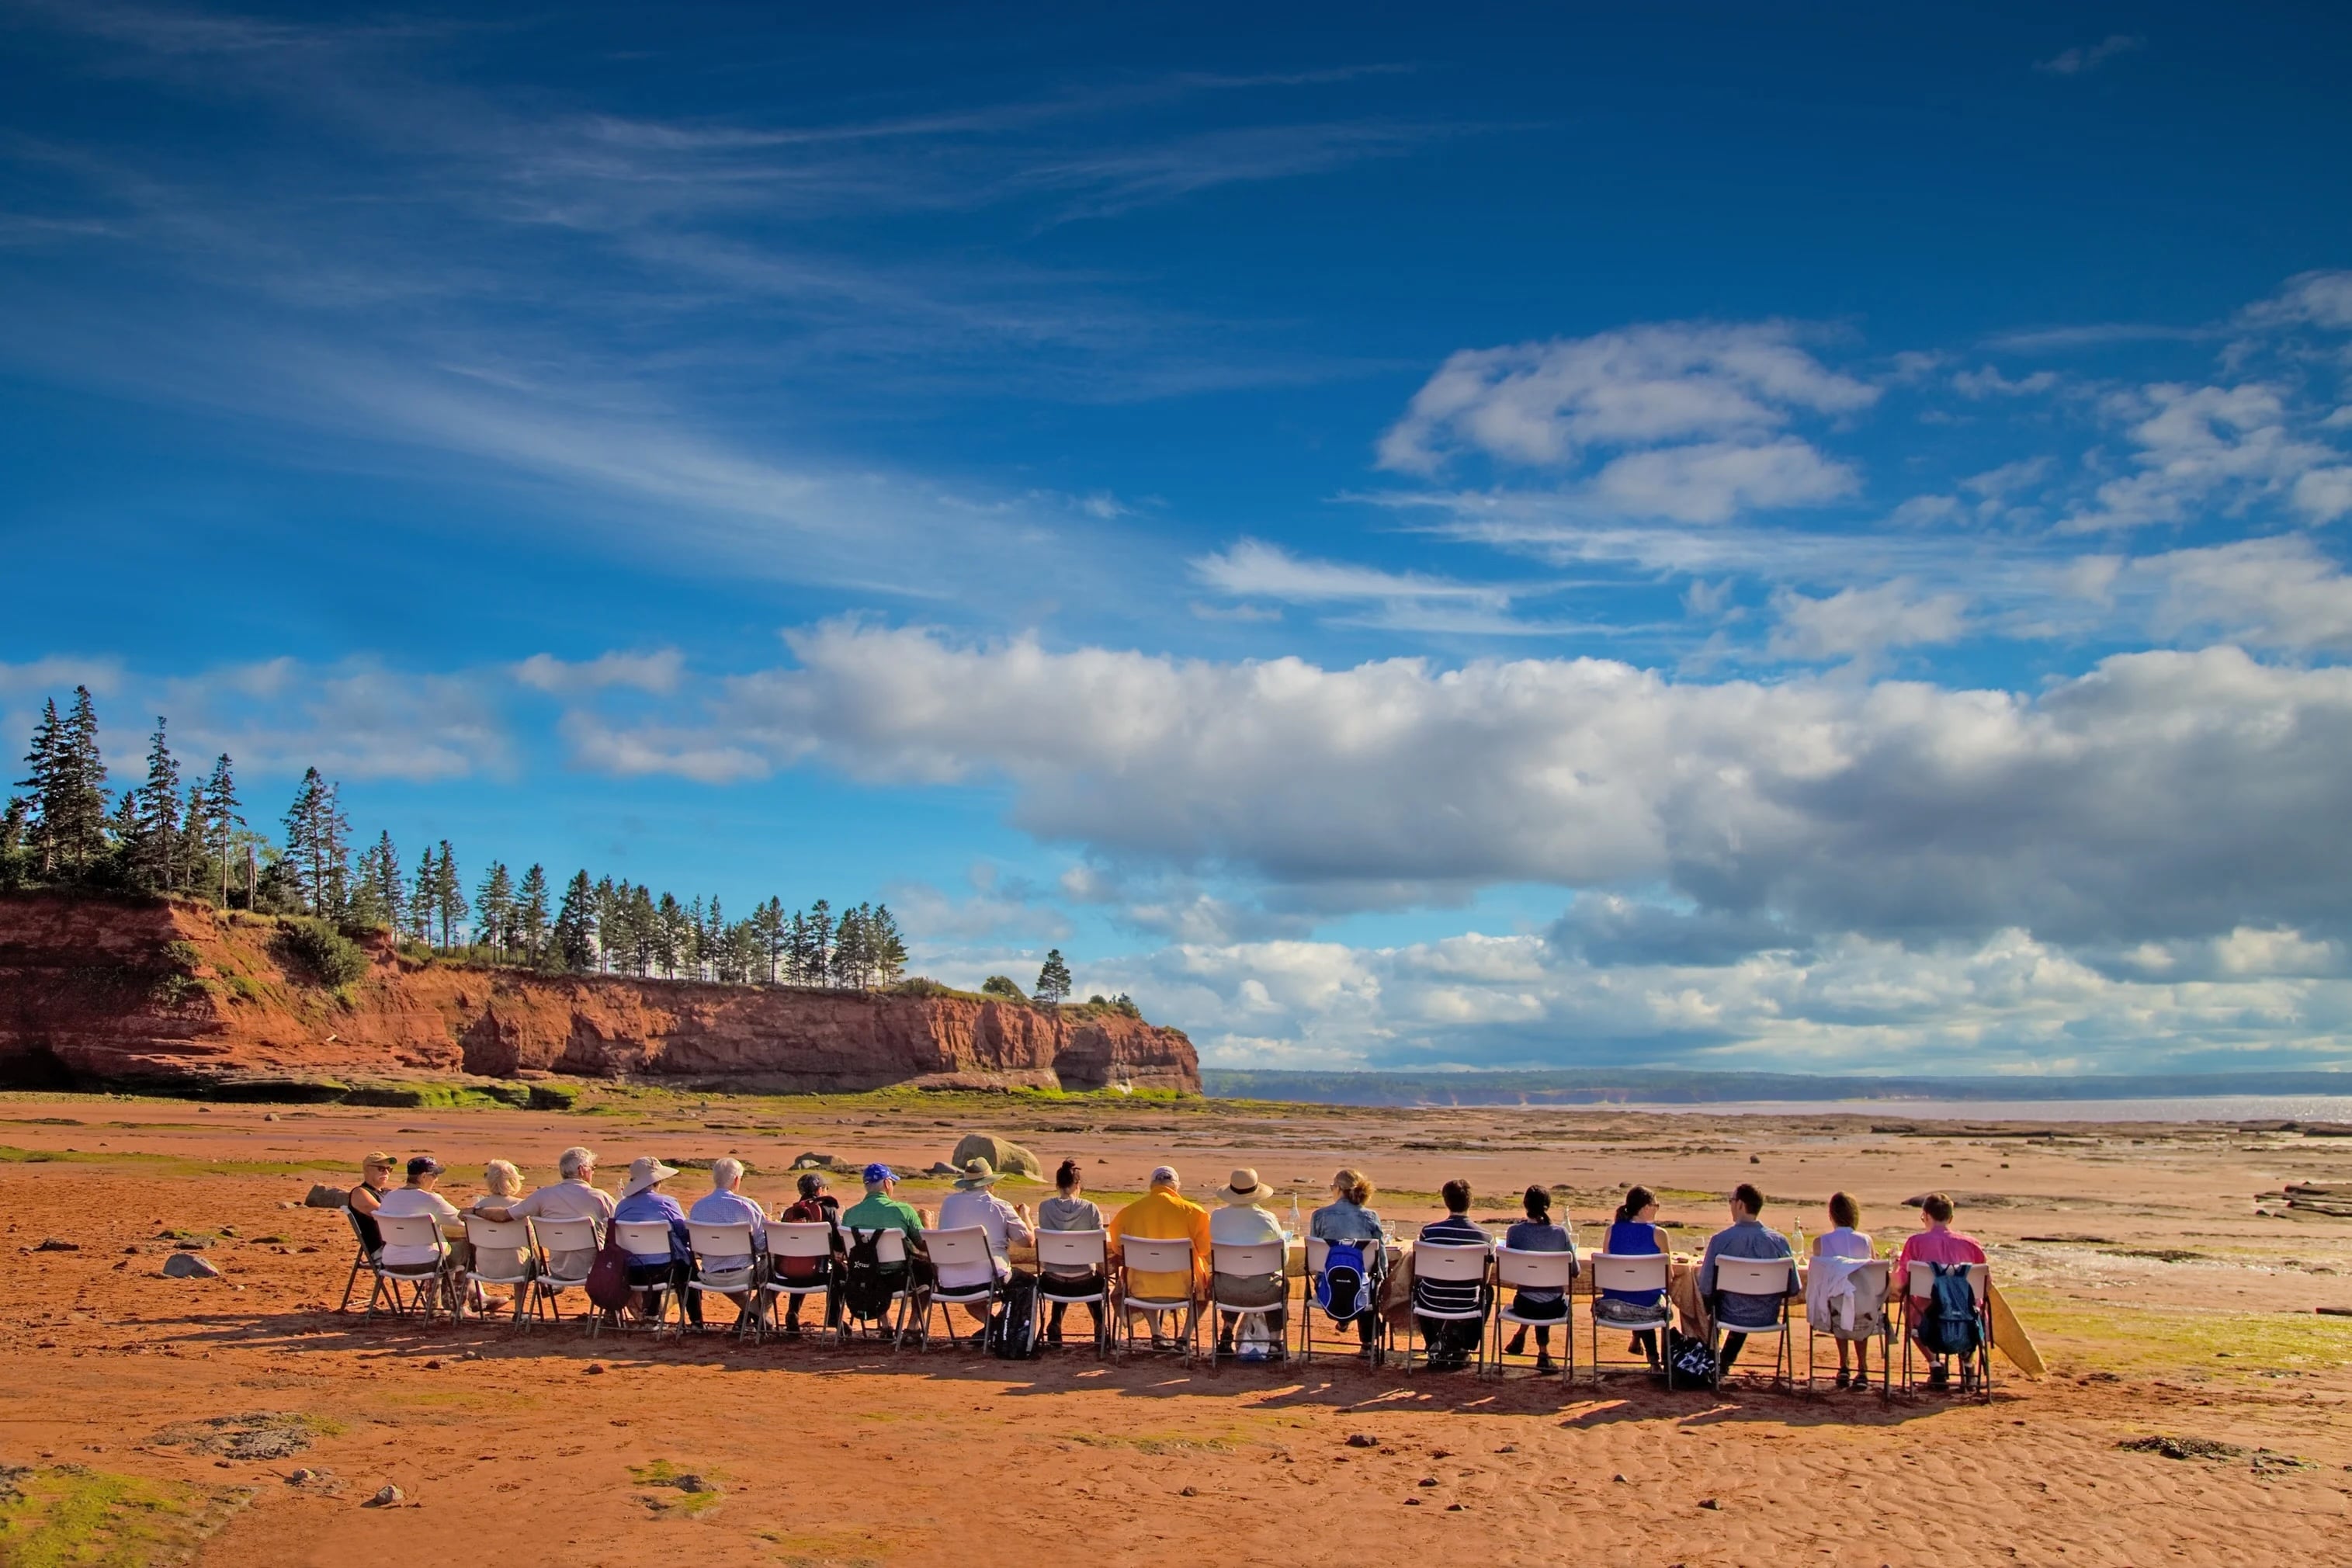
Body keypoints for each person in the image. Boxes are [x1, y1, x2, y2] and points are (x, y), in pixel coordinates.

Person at [1696, 1183, 1795, 1379]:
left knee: (1710, 1302)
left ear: (1740, 1205)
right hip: (1767, 1316)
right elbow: (1793, 1288)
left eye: (1731, 1201)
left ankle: (1707, 1357)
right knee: (1742, 1300)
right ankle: (1724, 1360)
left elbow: (1706, 1286)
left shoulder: (1721, 1240)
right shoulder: (1780, 1241)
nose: (1731, 1206)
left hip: (1729, 1315)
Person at [1107, 1166, 1212, 1347]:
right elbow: (1204, 1249)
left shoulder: (1129, 1212)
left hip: (1140, 1288)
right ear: (1176, 1187)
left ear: (1151, 1186)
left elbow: (1118, 1249)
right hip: (1185, 1288)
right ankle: (1185, 1337)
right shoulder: (1195, 1212)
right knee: (1205, 1291)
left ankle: (1156, 1332)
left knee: (1142, 1274)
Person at [480, 1146, 616, 1284]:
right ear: (581, 1170)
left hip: (557, 1271)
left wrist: (475, 1211)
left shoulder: (543, 1195)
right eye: (592, 1169)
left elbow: (504, 1215)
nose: (593, 1172)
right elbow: (623, 1221)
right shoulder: (600, 1197)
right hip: (595, 1270)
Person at [1895, 1192, 1988, 1389]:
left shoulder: (1915, 1243)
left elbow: (1902, 1282)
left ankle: (1935, 1365)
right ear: (1951, 1218)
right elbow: (1985, 1285)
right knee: (1976, 1307)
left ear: (1926, 1216)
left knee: (1910, 1309)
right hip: (1967, 1318)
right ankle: (1968, 1363)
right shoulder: (1972, 1245)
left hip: (1927, 1318)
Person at [935, 1157, 1034, 1328]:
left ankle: (993, 1327)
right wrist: (1024, 1215)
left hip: (949, 1281)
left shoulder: (948, 1204)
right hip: (989, 1280)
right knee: (1029, 1283)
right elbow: (1028, 1241)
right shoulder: (1000, 1206)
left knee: (973, 1296)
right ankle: (1006, 1329)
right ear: (989, 1184)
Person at [1209, 1169, 1289, 1358]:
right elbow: (1282, 1260)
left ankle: (1227, 1332)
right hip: (1262, 1293)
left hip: (1225, 1291)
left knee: (1230, 1275)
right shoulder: (1267, 1219)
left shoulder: (1217, 1217)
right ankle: (1275, 1342)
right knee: (1282, 1284)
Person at [1413, 1178, 1490, 1371]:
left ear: (1446, 1201)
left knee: (1418, 1289)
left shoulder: (1429, 1232)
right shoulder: (1485, 1237)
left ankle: (1433, 1341)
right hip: (1466, 1303)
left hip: (1431, 1300)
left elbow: (1420, 1272)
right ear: (1470, 1202)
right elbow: (1484, 1278)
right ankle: (1464, 1346)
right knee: (1487, 1292)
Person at [838, 1164, 928, 1328]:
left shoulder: (850, 1214)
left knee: (873, 1262)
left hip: (862, 1277)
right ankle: (912, 1326)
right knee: (927, 1270)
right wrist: (926, 1224)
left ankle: (885, 1323)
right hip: (897, 1278)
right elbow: (923, 1245)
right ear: (887, 1183)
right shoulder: (903, 1210)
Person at [613, 1157, 698, 1327]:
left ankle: (652, 1316)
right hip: (664, 1271)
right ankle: (696, 1320)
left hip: (632, 1272)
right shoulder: (667, 1203)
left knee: (658, 1255)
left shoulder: (622, 1206)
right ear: (656, 1181)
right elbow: (683, 1234)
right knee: (685, 1267)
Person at [1806, 1192, 1878, 1389]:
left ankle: (1844, 1365)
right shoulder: (1866, 1240)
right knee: (1855, 1303)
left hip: (1834, 1309)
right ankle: (1862, 1368)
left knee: (1837, 1299)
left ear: (1832, 1215)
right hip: (1864, 1307)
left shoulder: (1820, 1242)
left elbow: (1820, 1278)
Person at [1309, 1169, 1386, 1356]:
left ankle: (1345, 1317)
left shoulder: (1320, 1216)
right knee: (1368, 1280)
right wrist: (1383, 1276)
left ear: (1339, 1189)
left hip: (1328, 1290)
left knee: (1355, 1277)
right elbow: (1380, 1260)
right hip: (1361, 1290)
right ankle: (1368, 1343)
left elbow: (1314, 1260)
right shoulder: (1371, 1217)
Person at [373, 1156, 467, 1307]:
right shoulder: (432, 1199)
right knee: (465, 1248)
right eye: (434, 1175)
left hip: (390, 1262)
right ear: (423, 1177)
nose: (436, 1180)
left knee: (437, 1248)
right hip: (426, 1263)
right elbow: (462, 1223)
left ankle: (434, 1304)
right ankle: (458, 1307)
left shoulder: (389, 1197)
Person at [1501, 1185, 1575, 1373]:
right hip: (1553, 1307)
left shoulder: (1514, 1232)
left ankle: (1523, 1335)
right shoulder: (1560, 1233)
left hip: (1524, 1305)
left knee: (1534, 1292)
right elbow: (1575, 1271)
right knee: (1547, 1294)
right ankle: (1543, 1353)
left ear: (1525, 1205)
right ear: (1547, 1206)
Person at [687, 1156, 768, 1321]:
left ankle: (747, 1318)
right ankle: (755, 1314)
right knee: (776, 1264)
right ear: (737, 1180)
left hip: (710, 1275)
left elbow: (696, 1248)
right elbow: (762, 1246)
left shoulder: (698, 1207)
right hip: (744, 1276)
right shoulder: (748, 1206)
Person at [1036, 1159, 1106, 1346]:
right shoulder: (1090, 1208)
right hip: (1085, 1283)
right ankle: (1100, 1323)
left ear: (1057, 1184)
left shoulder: (1045, 1207)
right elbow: (1099, 1244)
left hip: (1053, 1283)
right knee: (1092, 1276)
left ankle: (1055, 1323)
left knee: (1062, 1268)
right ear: (1078, 1184)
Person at [1598, 1185, 1669, 1369]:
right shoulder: (1659, 1234)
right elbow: (1668, 1278)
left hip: (1613, 1306)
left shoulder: (1611, 1231)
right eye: (1656, 1205)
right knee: (1647, 1299)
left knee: (1635, 1293)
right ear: (1646, 1208)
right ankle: (1656, 1361)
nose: (1657, 1209)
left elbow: (1606, 1272)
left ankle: (1644, 1348)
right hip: (1645, 1310)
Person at [775, 1171, 842, 1336]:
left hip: (787, 1274)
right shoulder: (829, 1210)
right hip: (818, 1274)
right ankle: (835, 1317)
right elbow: (839, 1242)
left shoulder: (789, 1213)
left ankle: (793, 1312)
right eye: (825, 1187)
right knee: (840, 1271)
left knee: (800, 1260)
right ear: (819, 1190)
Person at [463, 1159, 531, 1311]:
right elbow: (531, 1239)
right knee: (523, 1255)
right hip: (516, 1267)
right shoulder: (521, 1206)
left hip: (484, 1265)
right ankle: (519, 1311)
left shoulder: (479, 1206)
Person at [347, 1152, 396, 1258]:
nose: (386, 1172)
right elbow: (384, 1214)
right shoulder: (360, 1192)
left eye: (389, 1169)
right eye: (381, 1169)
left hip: (398, 1245)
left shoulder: (388, 1192)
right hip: (383, 1250)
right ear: (368, 1169)